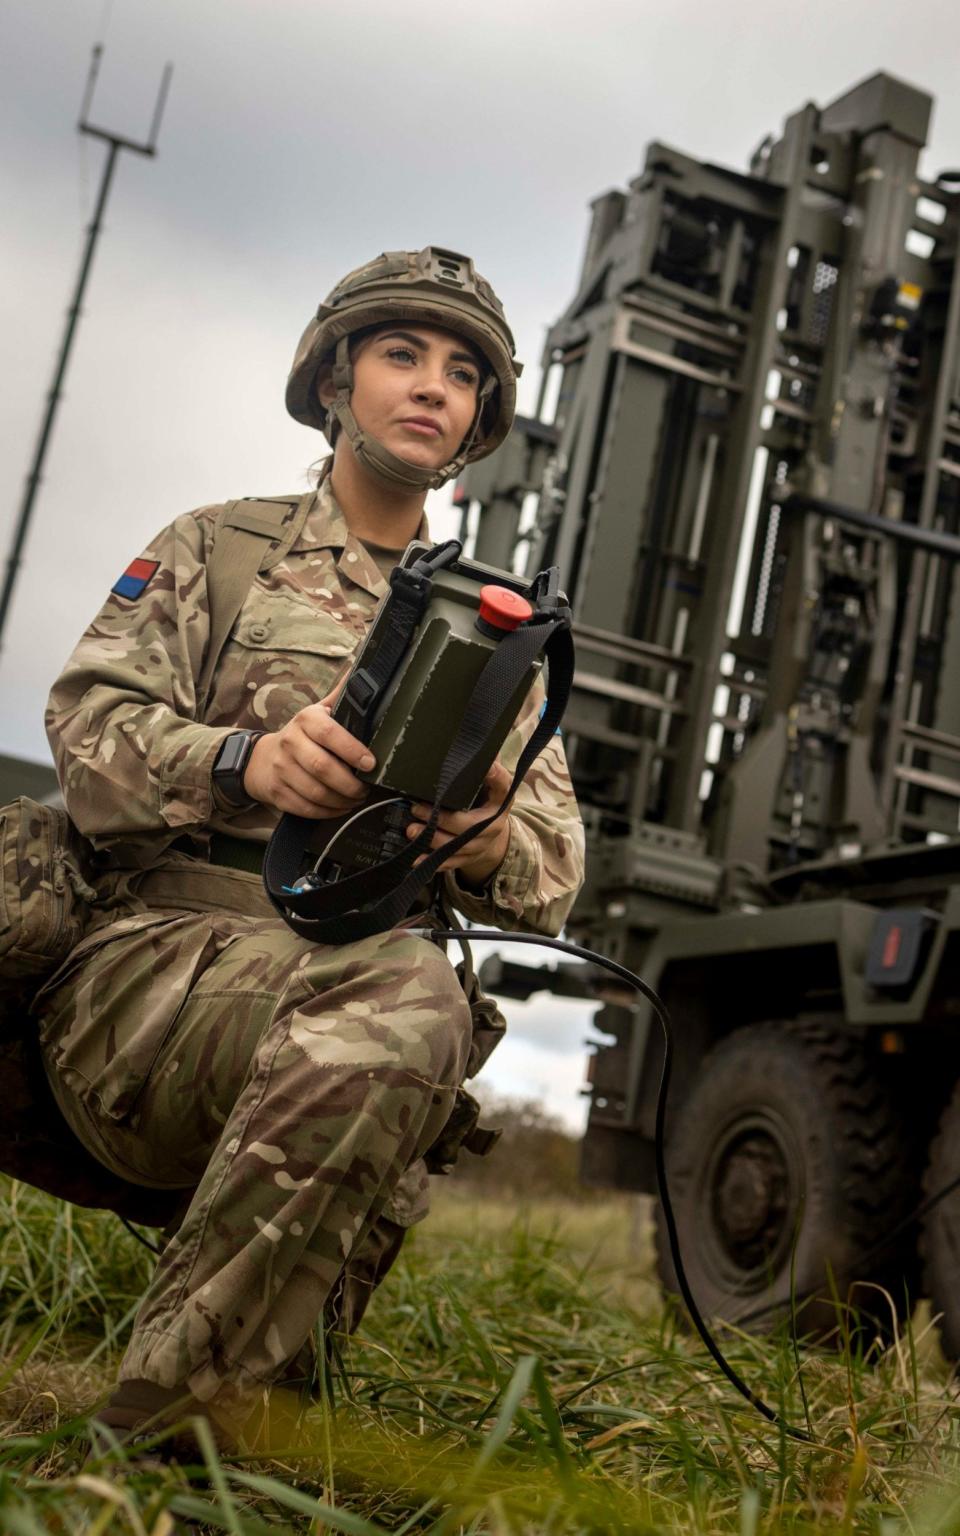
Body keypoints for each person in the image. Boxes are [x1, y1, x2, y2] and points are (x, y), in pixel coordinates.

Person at [37, 247, 584, 1451]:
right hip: (148, 981)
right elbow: (86, 731)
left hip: (357, 997)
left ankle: (229, 1407)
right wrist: (243, 762)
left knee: (408, 991)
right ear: (336, 380)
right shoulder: (223, 547)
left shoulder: (499, 628)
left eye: (461, 373)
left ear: (481, 421)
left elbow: (554, 868)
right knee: (404, 997)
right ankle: (158, 1450)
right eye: (401, 354)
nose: (431, 387)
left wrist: (479, 828)